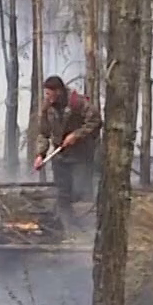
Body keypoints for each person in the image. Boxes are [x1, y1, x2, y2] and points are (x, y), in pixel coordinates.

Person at [35, 75, 100, 221]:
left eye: (49, 93)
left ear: (58, 91)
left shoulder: (78, 103)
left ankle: (87, 223)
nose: (47, 97)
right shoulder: (47, 108)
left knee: (79, 190)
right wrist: (40, 154)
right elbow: (43, 133)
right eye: (45, 93)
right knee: (62, 192)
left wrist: (76, 135)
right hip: (60, 155)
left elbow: (95, 121)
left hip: (81, 155)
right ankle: (67, 226)